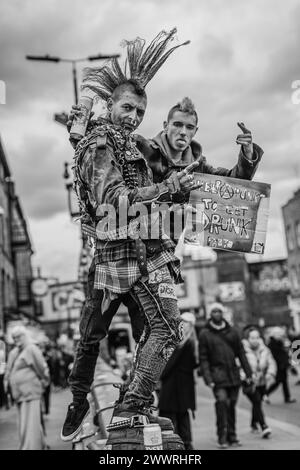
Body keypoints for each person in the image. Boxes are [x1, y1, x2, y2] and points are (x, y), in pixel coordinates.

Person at [63, 41, 263, 441]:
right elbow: (106, 186)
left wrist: (248, 156)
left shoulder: (194, 163)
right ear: (166, 126)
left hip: (154, 254)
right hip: (113, 256)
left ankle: (135, 404)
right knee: (92, 335)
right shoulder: (137, 146)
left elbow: (228, 190)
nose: (183, 134)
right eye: (177, 126)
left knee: (161, 328)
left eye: (139, 111)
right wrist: (82, 119)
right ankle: (83, 400)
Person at [198, 302, 253, 449]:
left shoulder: (233, 331)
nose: (217, 314)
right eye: (214, 311)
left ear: (223, 313)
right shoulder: (204, 334)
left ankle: (232, 436)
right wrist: (208, 378)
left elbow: (241, 353)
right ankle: (222, 437)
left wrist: (248, 373)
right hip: (217, 377)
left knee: (232, 406)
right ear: (210, 314)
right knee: (222, 403)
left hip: (233, 375)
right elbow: (203, 359)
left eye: (219, 311)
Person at [4, 326, 50, 450]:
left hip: (31, 391)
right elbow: (9, 369)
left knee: (31, 421)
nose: (16, 339)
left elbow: (41, 367)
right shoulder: (15, 351)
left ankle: (31, 446)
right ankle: (37, 445)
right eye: (14, 337)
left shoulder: (32, 348)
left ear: (24, 336)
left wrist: (45, 381)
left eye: (18, 336)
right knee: (25, 422)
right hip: (19, 394)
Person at [159, 311, 198, 450]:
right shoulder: (191, 342)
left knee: (170, 416)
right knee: (182, 415)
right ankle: (186, 443)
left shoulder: (182, 343)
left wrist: (159, 376)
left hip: (173, 385)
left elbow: (170, 364)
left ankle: (177, 444)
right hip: (182, 385)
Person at [241, 327, 276, 438]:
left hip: (262, 382)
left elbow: (271, 362)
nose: (255, 340)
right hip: (249, 383)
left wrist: (270, 373)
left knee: (257, 403)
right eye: (252, 338)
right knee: (256, 401)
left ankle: (253, 423)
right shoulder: (242, 350)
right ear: (247, 338)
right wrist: (245, 376)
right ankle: (264, 426)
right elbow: (238, 365)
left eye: (257, 337)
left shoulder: (265, 349)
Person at [265, 327, 296, 403]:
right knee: (278, 382)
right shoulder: (273, 344)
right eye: (279, 334)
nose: (281, 335)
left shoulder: (279, 342)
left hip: (282, 365)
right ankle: (265, 394)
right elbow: (278, 356)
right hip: (278, 366)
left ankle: (287, 397)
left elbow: (284, 353)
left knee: (284, 381)